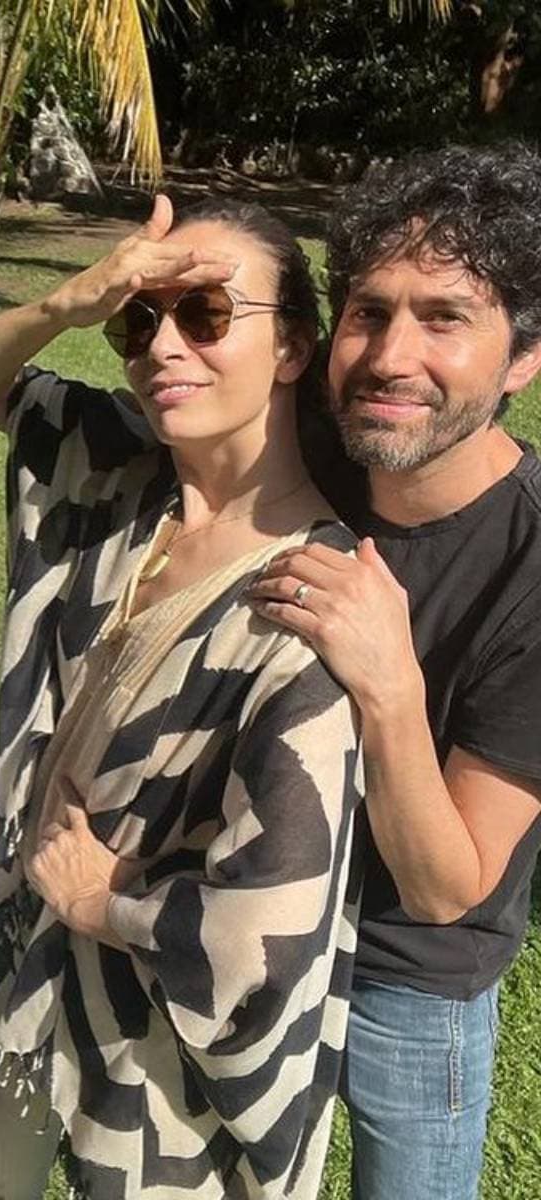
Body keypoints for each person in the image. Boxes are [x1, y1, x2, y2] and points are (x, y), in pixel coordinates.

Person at [0, 195, 364, 1200]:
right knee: (26, 1095)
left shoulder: (310, 603)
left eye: (205, 313)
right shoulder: (127, 477)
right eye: (139, 322)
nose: (161, 346)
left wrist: (102, 902)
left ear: (292, 347)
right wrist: (74, 300)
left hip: (158, 1008)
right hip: (50, 925)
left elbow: (266, 936)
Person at [248, 143, 541, 1200]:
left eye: (445, 317)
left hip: (409, 977)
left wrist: (388, 682)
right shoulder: (313, 449)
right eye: (369, 312)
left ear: (523, 358)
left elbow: (446, 887)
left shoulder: (532, 569)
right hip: (252, 909)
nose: (390, 356)